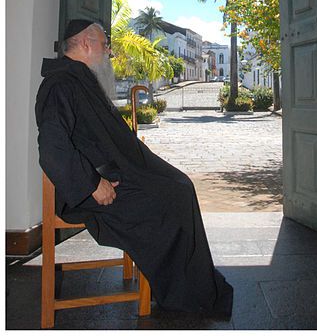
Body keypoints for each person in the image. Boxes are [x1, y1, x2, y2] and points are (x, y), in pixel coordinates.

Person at [35, 19, 233, 319]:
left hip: (109, 177)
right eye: (105, 45)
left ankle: (187, 288)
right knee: (173, 198)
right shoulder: (60, 84)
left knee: (179, 186)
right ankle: (183, 296)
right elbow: (52, 147)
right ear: (86, 44)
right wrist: (91, 184)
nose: (109, 52)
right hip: (91, 191)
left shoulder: (79, 79)